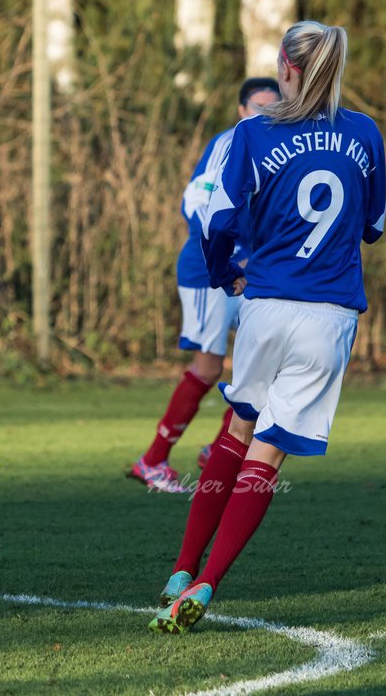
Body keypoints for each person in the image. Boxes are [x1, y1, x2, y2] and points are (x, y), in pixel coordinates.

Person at [149, 21, 386, 633]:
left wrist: (226, 270)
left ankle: (181, 567)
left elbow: (215, 217)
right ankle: (206, 583)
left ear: (285, 64)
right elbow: (373, 226)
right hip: (328, 315)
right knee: (268, 456)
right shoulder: (364, 133)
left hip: (263, 306)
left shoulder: (251, 132)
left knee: (237, 426)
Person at [128, 78, 280, 493]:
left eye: (274, 108)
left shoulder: (282, 148)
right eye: (258, 108)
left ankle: (217, 450)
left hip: (253, 272)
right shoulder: (229, 143)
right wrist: (226, 255)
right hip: (209, 271)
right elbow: (197, 199)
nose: (266, 116)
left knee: (263, 362)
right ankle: (153, 460)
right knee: (209, 367)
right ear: (241, 110)